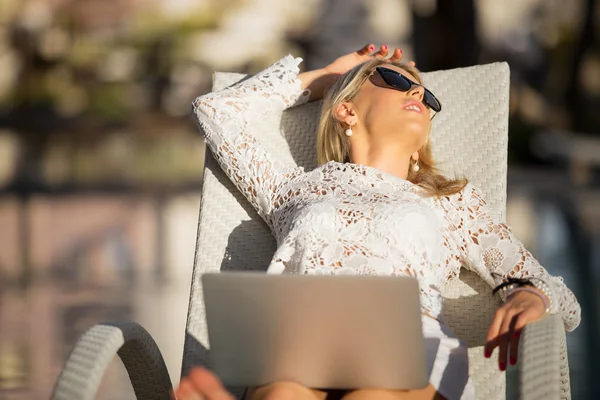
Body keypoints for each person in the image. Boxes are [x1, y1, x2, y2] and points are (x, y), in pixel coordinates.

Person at [174, 44, 581, 400]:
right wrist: (326, 78)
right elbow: (214, 112)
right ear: (346, 109)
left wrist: (531, 296)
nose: (418, 92)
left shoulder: (448, 200)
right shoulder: (294, 190)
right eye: (393, 79)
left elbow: (556, 295)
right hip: (296, 345)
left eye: (426, 97)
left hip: (402, 352)